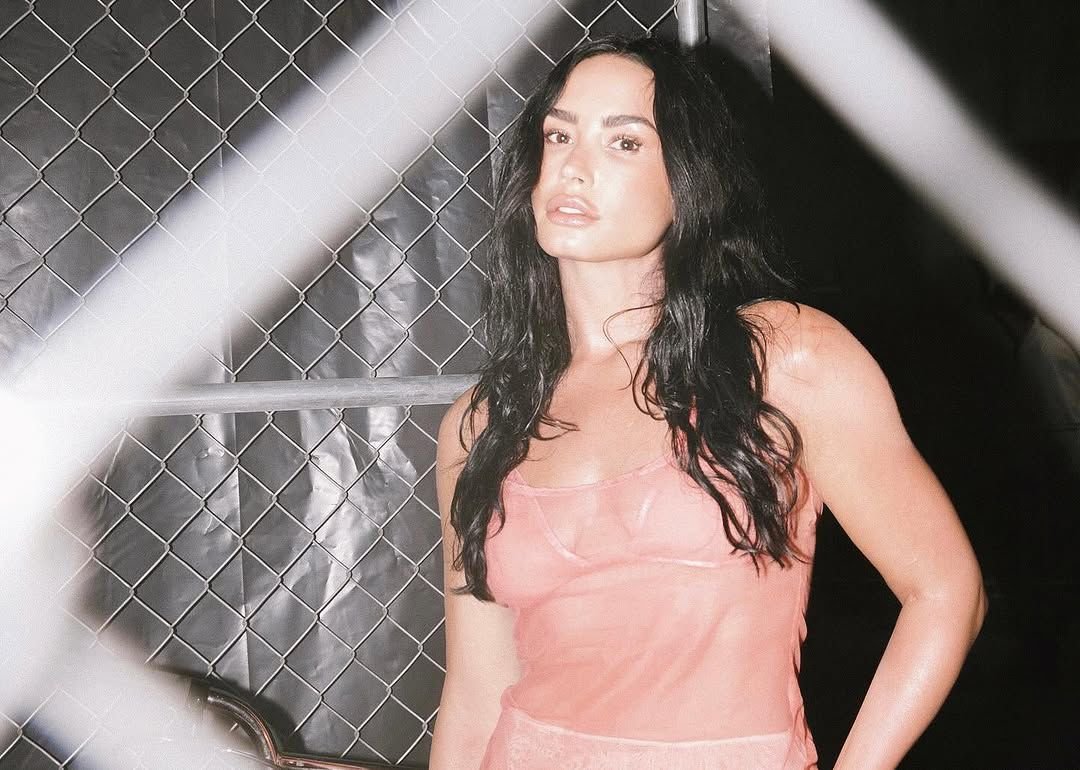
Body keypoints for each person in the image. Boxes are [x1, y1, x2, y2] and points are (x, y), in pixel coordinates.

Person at [429, 34, 987, 770]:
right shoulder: (481, 424)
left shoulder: (782, 360)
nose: (573, 165)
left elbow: (945, 591)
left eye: (624, 142)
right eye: (558, 135)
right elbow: (475, 694)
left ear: (687, 181)